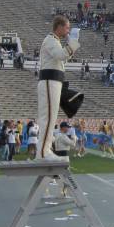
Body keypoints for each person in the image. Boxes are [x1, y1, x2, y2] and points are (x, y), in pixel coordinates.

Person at [35, 16, 80, 161]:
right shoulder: (50, 40)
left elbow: (63, 57)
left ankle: (45, 150)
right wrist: (72, 43)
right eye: (67, 27)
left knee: (51, 117)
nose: (68, 30)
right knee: (47, 118)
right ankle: (43, 153)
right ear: (59, 27)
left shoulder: (55, 41)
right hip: (49, 81)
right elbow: (61, 55)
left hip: (54, 81)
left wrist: (71, 45)